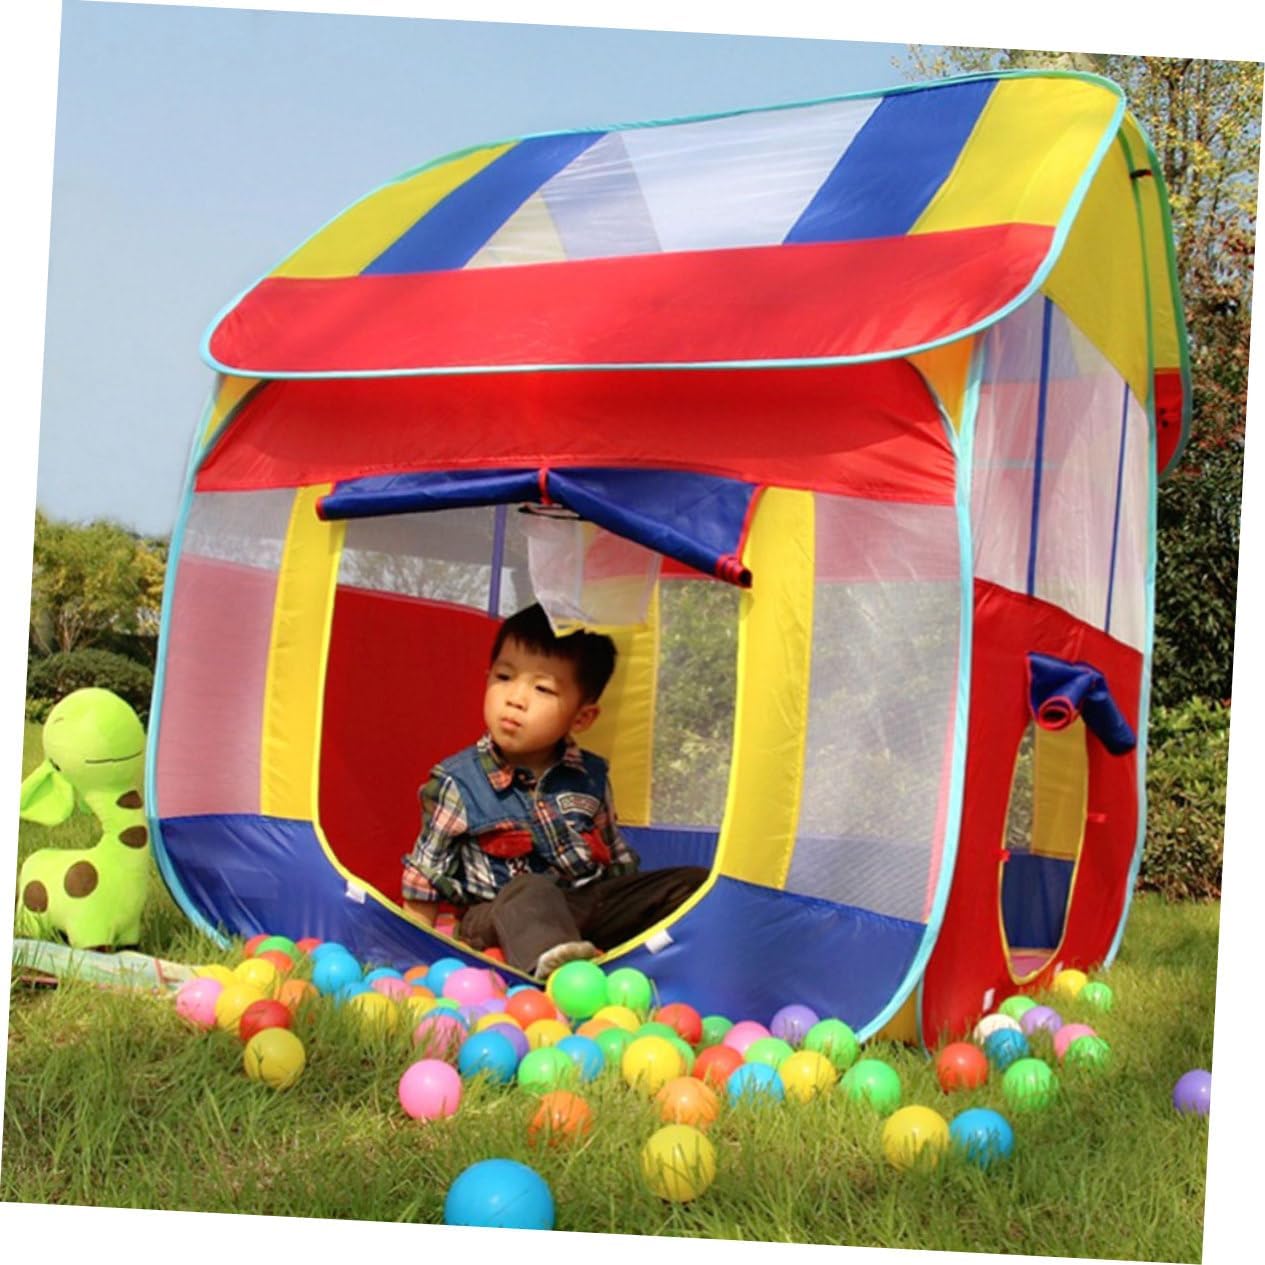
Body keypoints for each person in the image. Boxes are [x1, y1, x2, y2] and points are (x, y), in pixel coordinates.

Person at [402, 603, 708, 979]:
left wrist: (632, 903)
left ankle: (659, 964)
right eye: (503, 677)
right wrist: (414, 959)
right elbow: (425, 875)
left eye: (542, 688)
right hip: (496, 915)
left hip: (580, 905)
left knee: (693, 884)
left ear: (582, 717)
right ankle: (563, 979)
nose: (515, 698)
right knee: (532, 889)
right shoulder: (459, 781)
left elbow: (616, 861)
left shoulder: (591, 777)